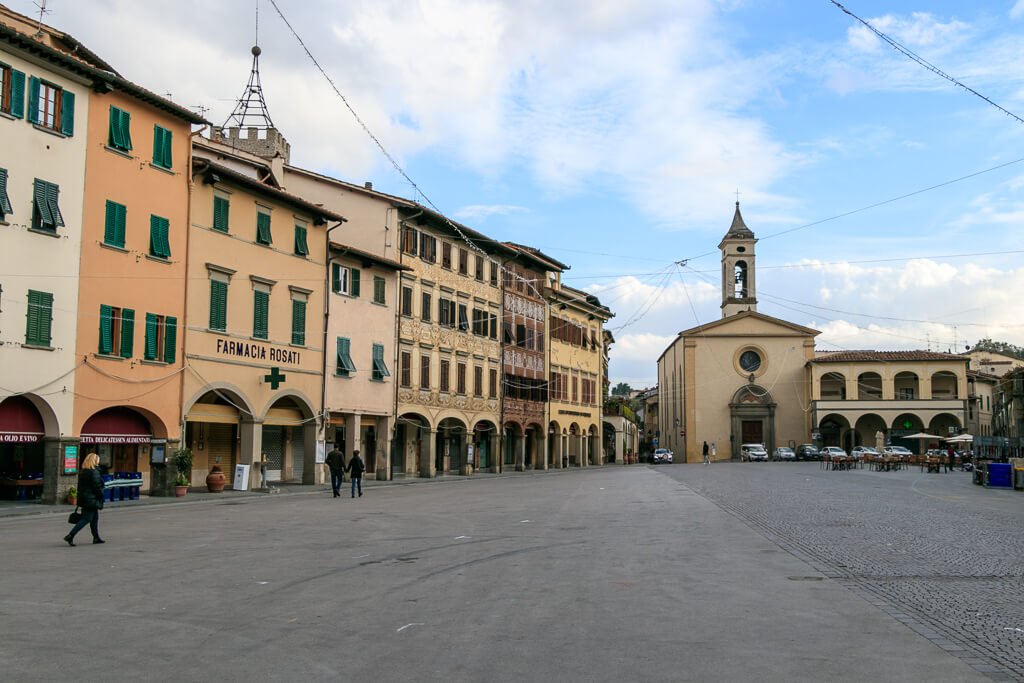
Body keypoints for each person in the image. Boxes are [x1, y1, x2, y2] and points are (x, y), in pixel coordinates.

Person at [64, 452, 105, 546]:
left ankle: (96, 537)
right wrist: (101, 495)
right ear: (94, 461)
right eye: (97, 460)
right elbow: (97, 486)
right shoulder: (94, 472)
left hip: (85, 498)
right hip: (91, 499)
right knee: (86, 519)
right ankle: (70, 535)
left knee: (95, 518)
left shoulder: (83, 471)